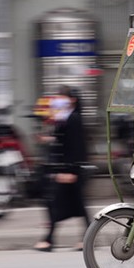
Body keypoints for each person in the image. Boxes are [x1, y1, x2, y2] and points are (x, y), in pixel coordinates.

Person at [34, 86, 90, 252]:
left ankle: (49, 239)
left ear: (71, 99)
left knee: (55, 204)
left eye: (61, 97)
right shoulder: (65, 117)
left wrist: (71, 171)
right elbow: (62, 139)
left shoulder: (74, 118)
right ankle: (86, 237)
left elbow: (78, 146)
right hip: (65, 168)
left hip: (70, 170)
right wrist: (47, 138)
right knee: (76, 205)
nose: (57, 100)